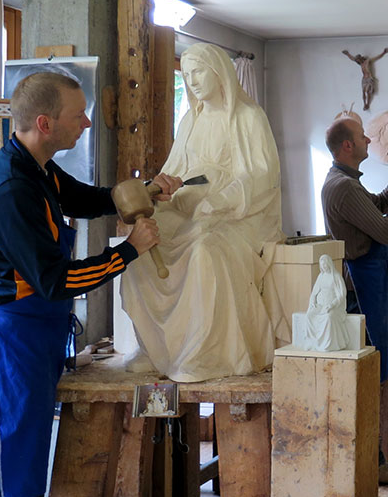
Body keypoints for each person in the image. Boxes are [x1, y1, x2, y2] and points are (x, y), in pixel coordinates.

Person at [0, 71, 180, 497]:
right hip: (9, 345)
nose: (88, 121)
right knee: (13, 491)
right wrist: (128, 251)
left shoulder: (35, 167)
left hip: (33, 339)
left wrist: (141, 190)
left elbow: (86, 198)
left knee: (17, 481)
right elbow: (55, 281)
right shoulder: (11, 190)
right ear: (45, 123)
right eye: (77, 114)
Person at [121, 43, 287, 382]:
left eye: (199, 73)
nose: (193, 80)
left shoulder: (248, 117)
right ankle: (155, 345)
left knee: (205, 252)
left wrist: (224, 199)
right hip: (188, 206)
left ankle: (204, 352)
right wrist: (157, 189)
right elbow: (174, 169)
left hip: (236, 215)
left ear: (219, 73)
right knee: (139, 247)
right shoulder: (189, 122)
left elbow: (262, 176)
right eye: (188, 73)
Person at [322, 117, 388, 485]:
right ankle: (371, 462)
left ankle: (373, 459)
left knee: (375, 373)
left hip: (372, 279)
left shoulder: (346, 184)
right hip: (362, 286)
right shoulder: (342, 187)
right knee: (367, 378)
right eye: (363, 136)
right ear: (348, 146)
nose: (369, 139)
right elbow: (385, 227)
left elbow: (376, 205)